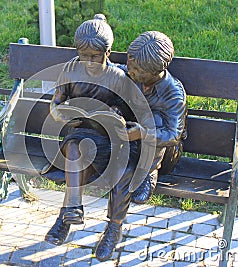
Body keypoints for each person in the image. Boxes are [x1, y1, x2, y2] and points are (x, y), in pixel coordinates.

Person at [41, 16, 155, 261]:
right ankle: (70, 210)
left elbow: (141, 115)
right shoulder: (71, 69)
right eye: (84, 55)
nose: (89, 62)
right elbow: (56, 102)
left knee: (124, 170)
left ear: (109, 53)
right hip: (83, 135)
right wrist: (60, 113)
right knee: (74, 147)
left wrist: (120, 120)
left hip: (115, 142)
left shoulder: (119, 78)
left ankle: (114, 229)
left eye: (95, 56)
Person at [116, 31, 187, 204]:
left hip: (164, 154)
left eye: (137, 70)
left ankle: (148, 174)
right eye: (129, 64)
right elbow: (113, 69)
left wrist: (142, 134)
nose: (130, 71)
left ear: (156, 71)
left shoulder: (173, 94)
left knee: (155, 121)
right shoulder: (133, 75)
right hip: (132, 142)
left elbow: (173, 136)